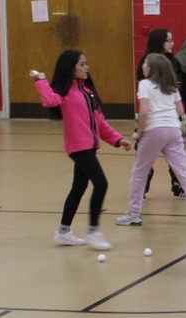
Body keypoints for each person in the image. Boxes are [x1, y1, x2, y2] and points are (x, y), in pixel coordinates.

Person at [31, 50, 132, 250]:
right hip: (78, 147)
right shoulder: (64, 92)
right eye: (82, 64)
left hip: (90, 146)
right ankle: (93, 231)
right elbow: (50, 100)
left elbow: (100, 122)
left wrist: (118, 139)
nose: (87, 67)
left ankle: (63, 231)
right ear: (71, 68)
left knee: (79, 187)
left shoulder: (88, 91)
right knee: (101, 183)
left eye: (86, 63)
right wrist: (40, 81)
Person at [116, 54, 186, 227]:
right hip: (174, 130)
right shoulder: (171, 86)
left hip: (154, 130)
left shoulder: (144, 84)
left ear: (151, 68)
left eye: (145, 63)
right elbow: (180, 111)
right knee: (184, 173)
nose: (143, 66)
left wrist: (139, 132)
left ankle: (134, 214)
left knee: (140, 173)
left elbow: (144, 111)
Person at [136, 27, 186, 200]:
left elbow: (177, 94)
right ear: (159, 42)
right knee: (144, 155)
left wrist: (181, 120)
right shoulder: (146, 63)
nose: (172, 44)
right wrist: (141, 128)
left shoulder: (174, 63)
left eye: (172, 40)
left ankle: (178, 186)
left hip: (170, 118)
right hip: (151, 117)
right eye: (168, 40)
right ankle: (142, 188)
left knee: (177, 154)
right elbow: (145, 98)